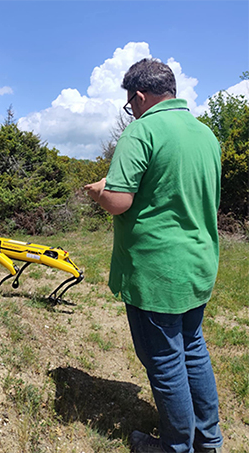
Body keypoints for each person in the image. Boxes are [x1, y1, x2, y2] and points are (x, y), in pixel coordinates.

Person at [84, 58, 223, 453]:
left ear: (140, 97)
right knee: (193, 348)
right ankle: (208, 440)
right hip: (198, 264)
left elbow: (119, 201)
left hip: (156, 271)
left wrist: (98, 192)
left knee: (164, 362)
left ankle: (176, 446)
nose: (132, 111)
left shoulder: (141, 132)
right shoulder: (205, 134)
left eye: (131, 104)